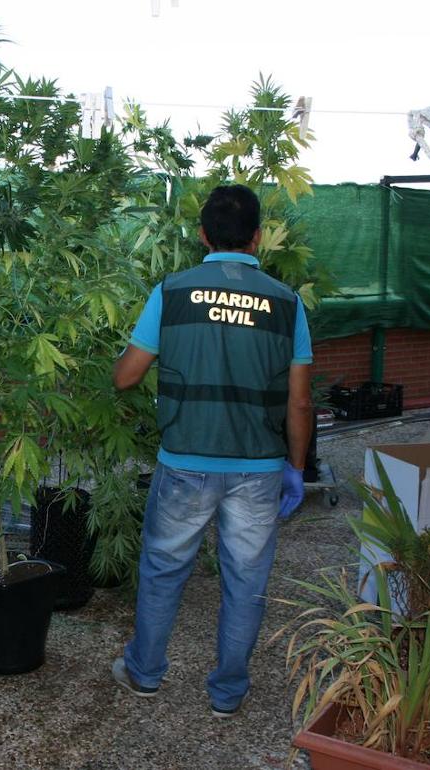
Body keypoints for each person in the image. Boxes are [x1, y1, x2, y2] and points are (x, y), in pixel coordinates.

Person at [109, 185, 314, 718]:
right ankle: (227, 693)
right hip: (259, 468)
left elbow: (127, 377)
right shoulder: (286, 304)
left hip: (185, 461)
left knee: (162, 570)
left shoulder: (173, 292)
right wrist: (296, 468)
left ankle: (145, 673)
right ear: (258, 236)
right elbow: (299, 401)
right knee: (246, 582)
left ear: (202, 235)